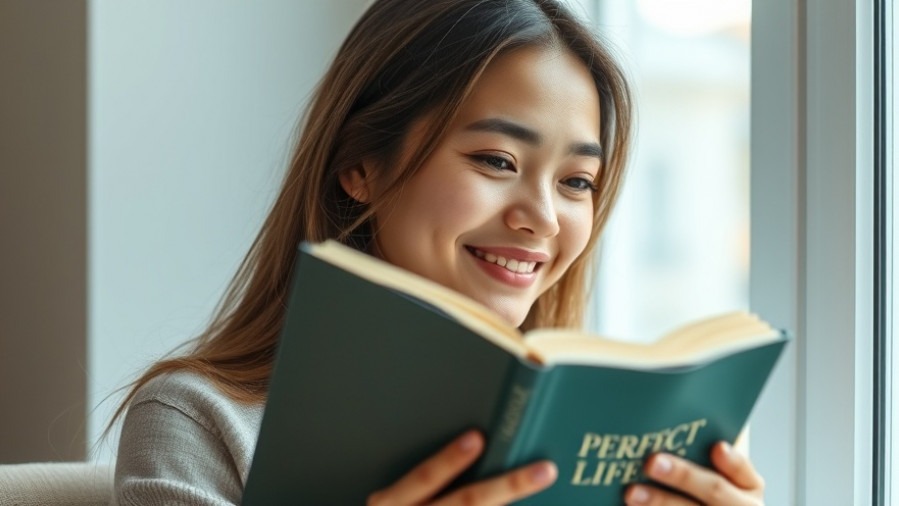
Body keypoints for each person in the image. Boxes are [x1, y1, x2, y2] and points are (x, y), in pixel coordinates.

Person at [110, 0, 766, 504]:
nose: (540, 218)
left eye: (575, 182)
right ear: (360, 163)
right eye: (495, 160)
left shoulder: (606, 440)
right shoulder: (200, 420)